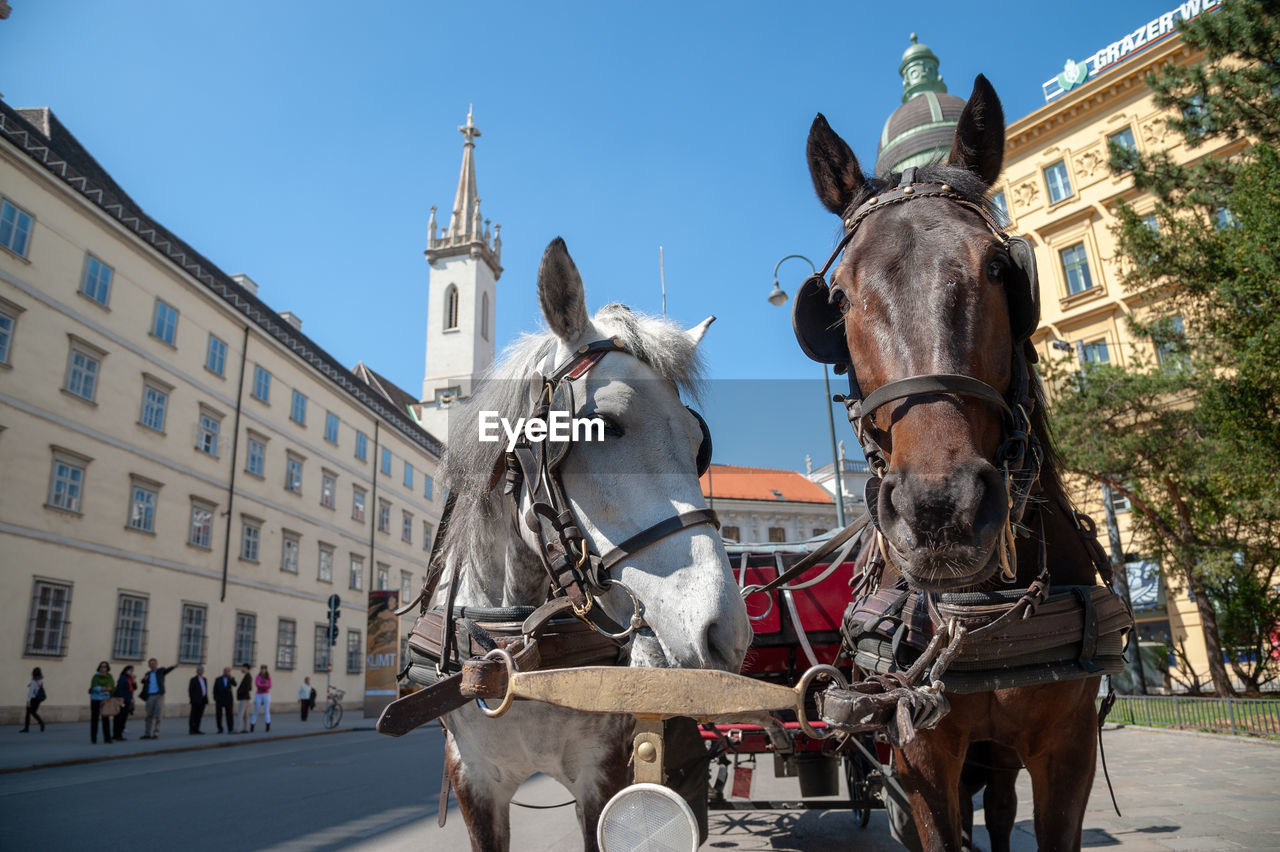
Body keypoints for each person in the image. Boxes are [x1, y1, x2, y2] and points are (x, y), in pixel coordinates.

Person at [138, 658, 176, 740]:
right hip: (150, 696)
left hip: (159, 695)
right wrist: (144, 679)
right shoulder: (147, 673)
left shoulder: (160, 671)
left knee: (158, 715)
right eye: (151, 664)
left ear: (156, 664)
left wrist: (174, 666)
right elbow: (142, 682)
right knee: (149, 716)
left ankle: (156, 733)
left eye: (154, 663)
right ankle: (147, 734)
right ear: (149, 665)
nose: (152, 665)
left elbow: (167, 670)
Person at [88, 661, 114, 744]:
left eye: (105, 666)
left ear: (107, 668)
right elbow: (94, 687)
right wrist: (104, 688)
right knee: (94, 719)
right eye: (102, 666)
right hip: (95, 699)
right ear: (99, 668)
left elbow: (111, 687)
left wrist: (102, 688)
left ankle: (107, 738)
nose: (103, 668)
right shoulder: (95, 677)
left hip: (105, 699)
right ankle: (93, 738)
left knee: (105, 719)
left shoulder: (109, 677)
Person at [112, 665, 136, 741]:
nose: (131, 672)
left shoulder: (130, 679)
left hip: (128, 700)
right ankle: (117, 735)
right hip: (122, 700)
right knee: (120, 718)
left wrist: (133, 680)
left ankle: (118, 734)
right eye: (130, 670)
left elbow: (134, 688)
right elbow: (120, 690)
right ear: (126, 671)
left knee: (123, 718)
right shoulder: (123, 678)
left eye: (132, 671)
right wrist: (121, 700)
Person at [20, 667, 45, 733]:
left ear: (33, 673)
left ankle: (27, 728)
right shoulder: (41, 680)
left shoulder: (33, 681)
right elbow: (38, 687)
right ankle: (41, 723)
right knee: (33, 712)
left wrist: (28, 701)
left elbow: (30, 692)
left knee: (29, 713)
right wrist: (31, 685)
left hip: (33, 699)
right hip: (38, 699)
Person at [212, 667, 236, 734]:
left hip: (228, 699)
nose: (227, 673)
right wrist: (215, 698)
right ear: (223, 672)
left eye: (229, 671)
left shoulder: (231, 678)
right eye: (226, 671)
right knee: (219, 715)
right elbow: (215, 689)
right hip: (220, 699)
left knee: (229, 715)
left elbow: (235, 684)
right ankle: (220, 728)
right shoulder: (218, 679)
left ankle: (230, 728)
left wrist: (230, 678)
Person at [188, 666, 209, 734]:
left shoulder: (204, 679)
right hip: (195, 700)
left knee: (199, 715)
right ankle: (191, 729)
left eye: (202, 670)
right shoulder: (193, 679)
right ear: (197, 671)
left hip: (203, 700)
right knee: (193, 715)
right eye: (199, 670)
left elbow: (205, 689)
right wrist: (193, 699)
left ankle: (197, 729)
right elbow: (190, 690)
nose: (201, 671)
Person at [250, 664, 271, 732]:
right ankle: (252, 725)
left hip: (266, 694)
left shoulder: (268, 677)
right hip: (259, 694)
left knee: (266, 710)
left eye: (264, 669)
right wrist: (265, 685)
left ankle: (267, 725)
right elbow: (257, 684)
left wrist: (262, 685)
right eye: (262, 669)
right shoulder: (258, 677)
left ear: (266, 670)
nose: (263, 670)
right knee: (256, 710)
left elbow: (269, 685)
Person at [234, 663, 253, 733]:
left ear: (246, 668)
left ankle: (237, 729)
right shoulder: (248, 676)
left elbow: (248, 688)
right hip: (246, 697)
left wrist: (240, 692)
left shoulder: (248, 677)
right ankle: (247, 728)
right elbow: (250, 688)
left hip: (244, 697)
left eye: (243, 668)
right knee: (245, 714)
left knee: (240, 713)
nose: (242, 669)